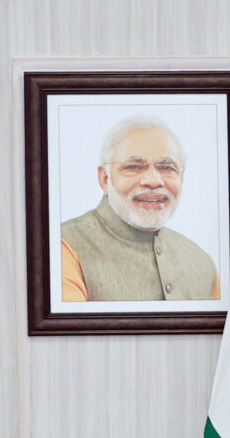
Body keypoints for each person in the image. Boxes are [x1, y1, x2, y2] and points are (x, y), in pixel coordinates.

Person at [59, 114, 221, 302]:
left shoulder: (203, 263)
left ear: (182, 179)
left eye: (167, 168)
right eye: (134, 167)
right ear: (104, 179)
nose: (153, 181)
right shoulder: (62, 247)